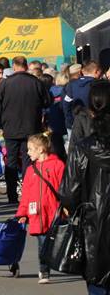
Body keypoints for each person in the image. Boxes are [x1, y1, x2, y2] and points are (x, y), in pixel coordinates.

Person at [60, 81, 110, 294]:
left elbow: (70, 192)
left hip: (94, 222)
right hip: (94, 217)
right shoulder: (84, 147)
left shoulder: (83, 147)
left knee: (97, 279)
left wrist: (70, 209)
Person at [0, 55, 52, 203]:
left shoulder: (6, 84)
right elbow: (47, 101)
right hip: (31, 127)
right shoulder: (36, 82)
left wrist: (2, 123)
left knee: (11, 161)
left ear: (14, 66)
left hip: (11, 128)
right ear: (26, 66)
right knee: (29, 160)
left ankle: (12, 195)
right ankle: (28, 191)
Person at [16, 133, 65, 285]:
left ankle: (63, 264)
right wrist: (22, 213)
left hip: (55, 212)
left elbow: (65, 189)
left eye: (31, 149)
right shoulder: (30, 171)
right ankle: (44, 270)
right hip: (36, 213)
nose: (28, 152)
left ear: (41, 149)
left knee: (58, 242)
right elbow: (26, 195)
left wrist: (67, 206)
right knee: (42, 243)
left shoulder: (58, 165)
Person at [65, 61, 100, 133]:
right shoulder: (97, 84)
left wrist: (70, 120)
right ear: (96, 71)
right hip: (94, 123)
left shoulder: (72, 84)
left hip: (76, 122)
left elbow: (66, 103)